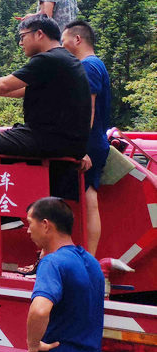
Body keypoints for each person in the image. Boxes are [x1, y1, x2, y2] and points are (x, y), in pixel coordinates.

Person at [0, 14, 91, 200]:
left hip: (51, 138)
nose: (20, 43)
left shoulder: (48, 60)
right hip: (68, 141)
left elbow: (6, 84)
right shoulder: (64, 59)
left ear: (39, 34)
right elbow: (18, 89)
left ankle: (1, 214)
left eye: (22, 37)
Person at [24, 197, 104, 352]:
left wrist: (33, 344)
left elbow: (40, 310)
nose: (28, 231)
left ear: (45, 225)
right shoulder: (92, 264)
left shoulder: (53, 262)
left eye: (30, 223)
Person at [62, 20, 111, 254]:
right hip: (95, 140)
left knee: (90, 200)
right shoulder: (96, 65)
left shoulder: (88, 67)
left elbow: (87, 110)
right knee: (87, 197)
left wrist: (80, 147)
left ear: (77, 39)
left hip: (88, 142)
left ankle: (89, 258)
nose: (62, 44)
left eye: (64, 40)